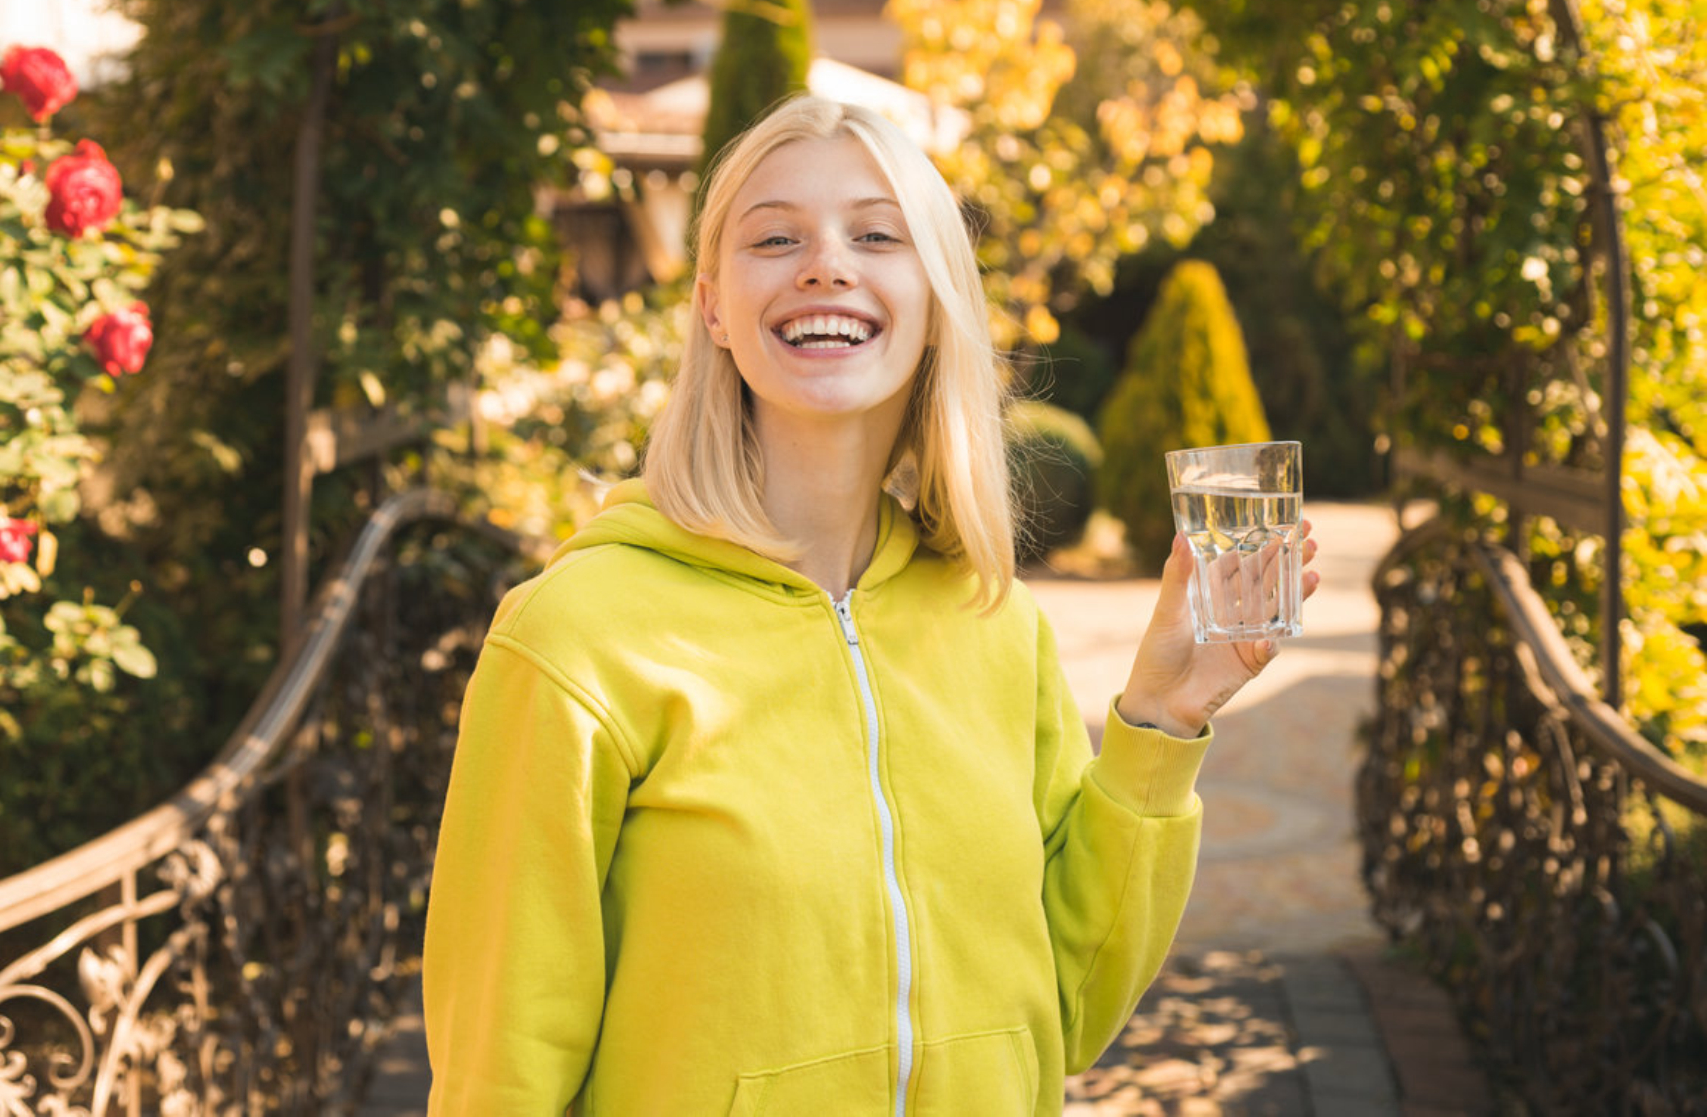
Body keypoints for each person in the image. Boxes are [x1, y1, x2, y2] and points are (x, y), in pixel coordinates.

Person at [422, 94, 1320, 1114]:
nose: (826, 263)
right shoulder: (577, 640)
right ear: (714, 307)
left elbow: (1065, 1008)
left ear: (935, 299)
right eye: (775, 236)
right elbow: (500, 1066)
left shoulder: (994, 624)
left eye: (876, 232)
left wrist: (1163, 715)